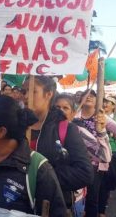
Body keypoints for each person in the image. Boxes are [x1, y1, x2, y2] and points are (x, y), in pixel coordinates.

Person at [22, 76, 94, 214]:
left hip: (51, 207)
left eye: (32, 91)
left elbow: (85, 173)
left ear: (48, 94)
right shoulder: (16, 124)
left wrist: (39, 177)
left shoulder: (66, 128)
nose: (25, 96)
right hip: (18, 205)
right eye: (24, 91)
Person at [54, 93, 111, 217]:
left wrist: (101, 132)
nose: (60, 111)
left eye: (65, 108)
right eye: (57, 107)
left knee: (92, 202)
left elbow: (106, 156)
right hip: (48, 191)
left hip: (72, 194)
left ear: (73, 113)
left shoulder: (78, 131)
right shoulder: (43, 130)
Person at [74, 89, 116, 217]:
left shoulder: (101, 117)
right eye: (86, 95)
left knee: (92, 198)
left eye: (93, 95)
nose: (89, 97)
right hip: (77, 162)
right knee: (76, 196)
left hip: (96, 164)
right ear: (80, 98)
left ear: (97, 99)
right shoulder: (74, 115)